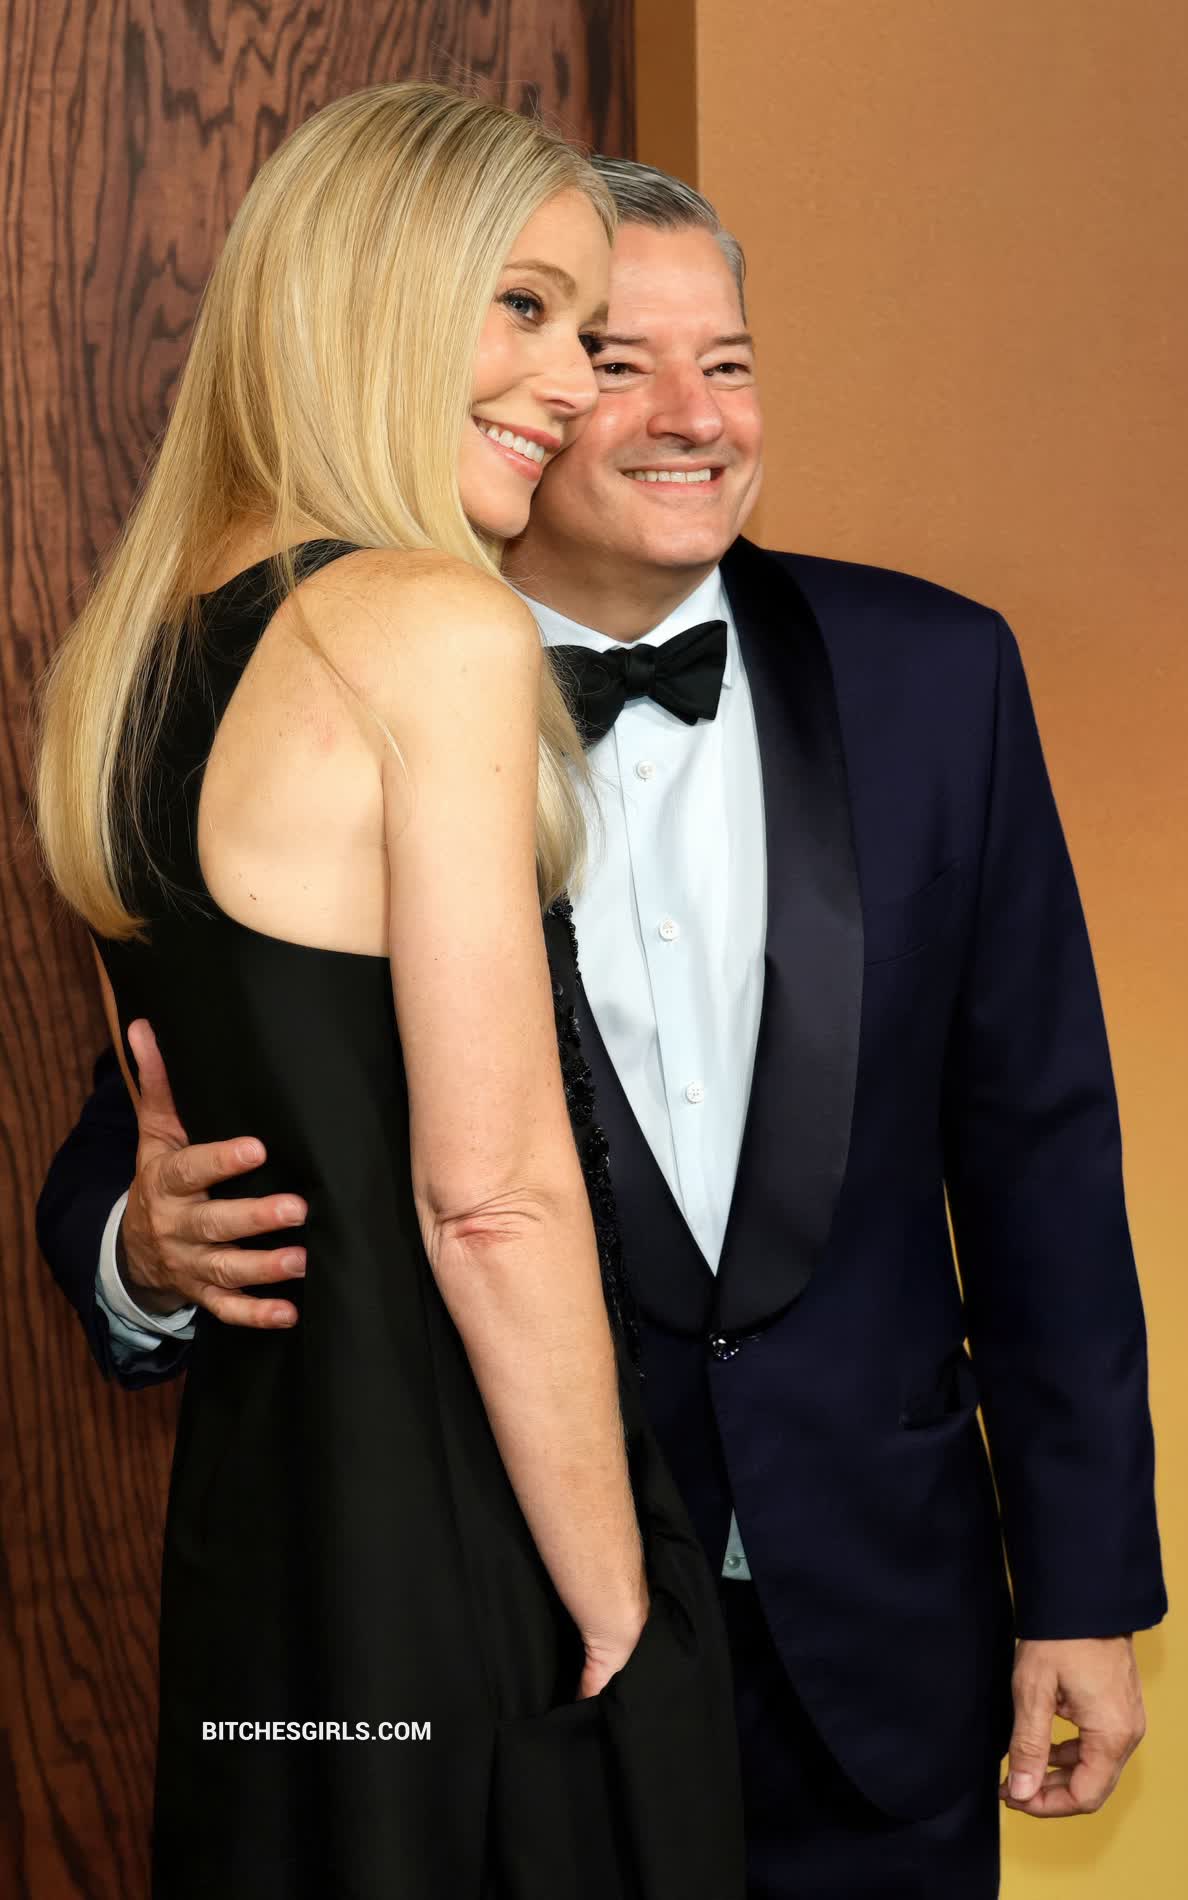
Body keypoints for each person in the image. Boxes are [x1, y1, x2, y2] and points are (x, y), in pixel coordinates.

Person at [37, 157, 1168, 1899]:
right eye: (606, 352)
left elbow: (1043, 1161)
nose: (682, 414)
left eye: (730, 363)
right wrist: (141, 1247)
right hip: (517, 1632)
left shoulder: (940, 675)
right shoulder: (355, 656)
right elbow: (187, 1090)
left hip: (880, 1639)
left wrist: (1083, 1588)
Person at [32, 94, 746, 1900]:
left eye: (585, 331)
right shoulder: (429, 623)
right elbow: (488, 1201)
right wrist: (625, 1614)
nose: (572, 384)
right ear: (372, 295)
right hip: (457, 1535)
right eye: (524, 309)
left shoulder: (135, 659)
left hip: (266, 1550)